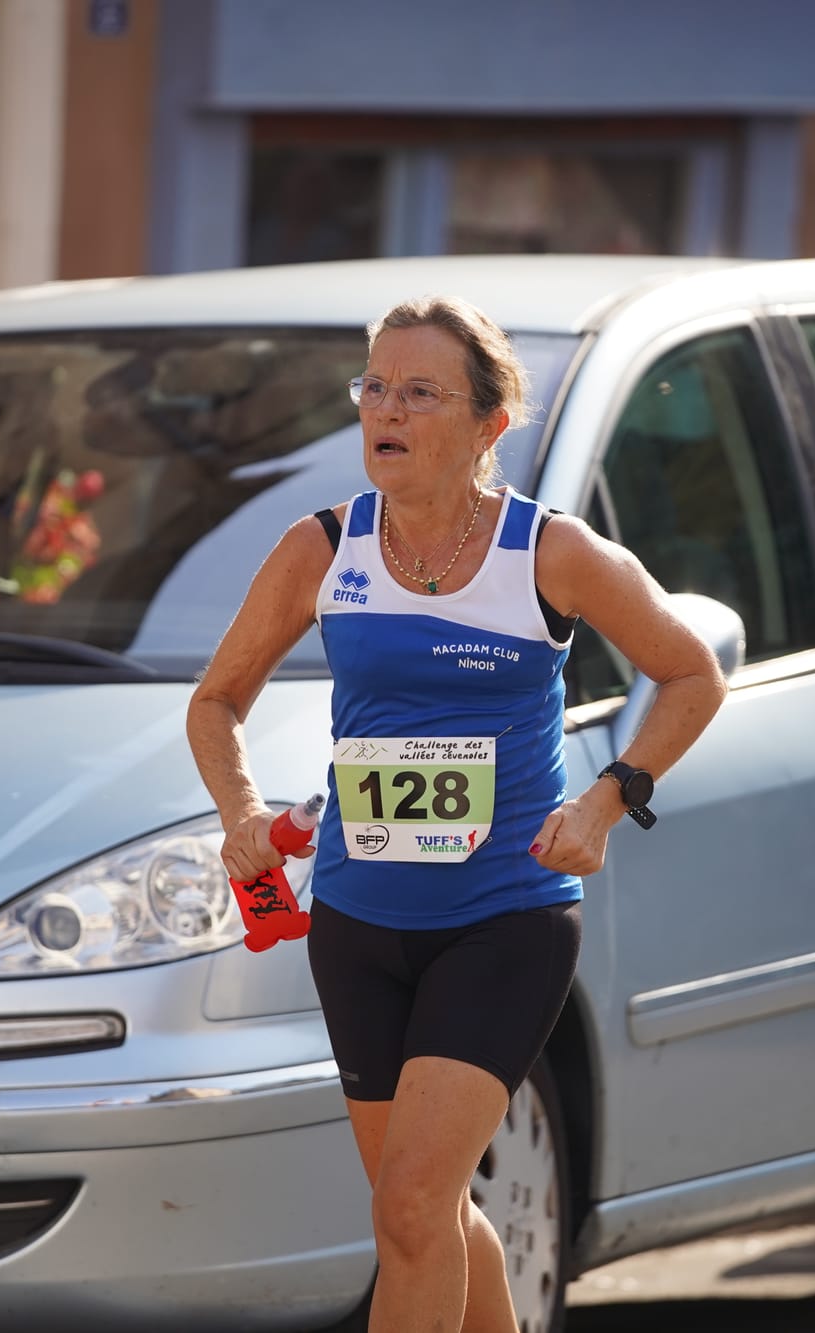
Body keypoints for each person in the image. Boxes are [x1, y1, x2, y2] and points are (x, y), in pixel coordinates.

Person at [187, 296, 727, 1331]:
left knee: (410, 1205)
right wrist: (241, 811)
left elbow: (691, 673)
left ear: (489, 423)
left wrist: (607, 800)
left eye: (420, 392)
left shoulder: (550, 553)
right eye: (374, 387)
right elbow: (215, 702)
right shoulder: (323, 549)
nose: (386, 410)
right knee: (423, 1212)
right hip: (358, 921)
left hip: (502, 918)